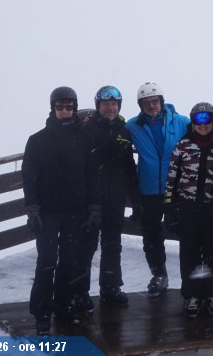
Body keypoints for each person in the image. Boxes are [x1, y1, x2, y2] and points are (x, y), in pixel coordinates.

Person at [22, 86, 102, 335]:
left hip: (75, 213)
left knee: (70, 261)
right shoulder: (37, 140)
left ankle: (64, 306)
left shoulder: (86, 140)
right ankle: (42, 313)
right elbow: (30, 178)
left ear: (75, 108)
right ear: (52, 108)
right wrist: (32, 209)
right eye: (60, 106)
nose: (65, 111)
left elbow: (94, 177)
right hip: (47, 213)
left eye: (69, 106)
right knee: (46, 262)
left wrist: (94, 208)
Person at [125, 82, 191, 297]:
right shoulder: (133, 126)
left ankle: (191, 277)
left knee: (186, 233)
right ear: (140, 105)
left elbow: (209, 131)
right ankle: (159, 274)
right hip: (148, 191)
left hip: (176, 189)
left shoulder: (180, 122)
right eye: (146, 103)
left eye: (155, 101)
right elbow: (111, 132)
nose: (151, 106)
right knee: (151, 236)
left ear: (162, 101)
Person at [75, 85, 138, 309]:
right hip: (90, 201)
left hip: (115, 199)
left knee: (112, 245)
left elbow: (129, 167)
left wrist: (136, 200)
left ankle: (110, 288)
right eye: (105, 104)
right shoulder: (87, 130)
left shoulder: (124, 131)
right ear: (98, 106)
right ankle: (79, 292)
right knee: (86, 246)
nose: (110, 108)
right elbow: (78, 167)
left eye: (114, 104)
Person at [163, 102, 213, 318]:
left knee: (212, 253)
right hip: (187, 209)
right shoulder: (183, 145)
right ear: (192, 122)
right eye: (198, 120)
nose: (203, 125)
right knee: (189, 253)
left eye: (207, 120)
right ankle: (192, 295)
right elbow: (171, 179)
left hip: (212, 210)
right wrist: (169, 209)